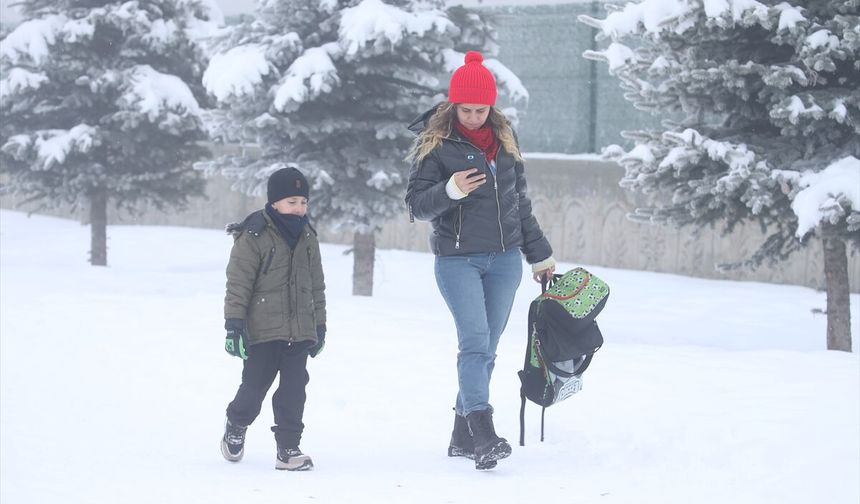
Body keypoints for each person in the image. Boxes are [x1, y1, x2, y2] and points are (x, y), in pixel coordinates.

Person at [405, 51, 555, 470]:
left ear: (492, 107)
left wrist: (539, 254)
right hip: (458, 261)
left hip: (504, 260)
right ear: (453, 106)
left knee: (487, 348)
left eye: (481, 109)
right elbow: (416, 204)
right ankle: (483, 432)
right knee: (474, 343)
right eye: (466, 109)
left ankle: (461, 436)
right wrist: (449, 190)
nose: (473, 117)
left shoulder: (505, 142)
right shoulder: (436, 145)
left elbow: (518, 202)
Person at [219, 167, 327, 471]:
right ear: (274, 202)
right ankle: (237, 423)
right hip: (262, 330)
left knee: (294, 390)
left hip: (300, 330)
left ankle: (288, 448)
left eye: (303, 202)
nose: (299, 208)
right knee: (254, 389)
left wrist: (319, 324)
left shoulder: (308, 236)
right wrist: (234, 326)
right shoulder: (253, 234)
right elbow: (238, 284)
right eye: (292, 202)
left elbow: (316, 285)